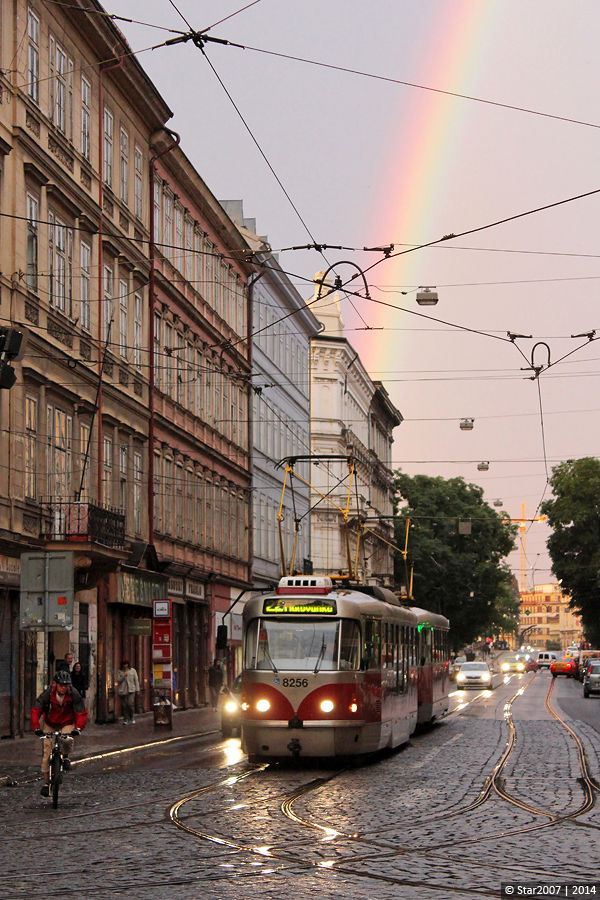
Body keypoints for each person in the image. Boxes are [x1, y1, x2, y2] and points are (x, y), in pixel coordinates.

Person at [31, 670, 88, 797]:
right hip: (50, 723)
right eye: (61, 685)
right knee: (47, 751)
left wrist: (78, 728)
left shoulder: (73, 694)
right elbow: (36, 710)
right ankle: (46, 783)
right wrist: (36, 727)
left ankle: (65, 756)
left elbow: (81, 713)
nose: (63, 688)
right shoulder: (48, 694)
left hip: (66, 722)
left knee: (67, 739)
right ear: (55, 684)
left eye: (66, 685)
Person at [117, 659, 140, 724]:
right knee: (124, 705)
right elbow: (118, 680)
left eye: (126, 664)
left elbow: (136, 681)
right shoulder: (120, 672)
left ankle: (131, 717)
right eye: (124, 664)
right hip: (123, 690)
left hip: (131, 689)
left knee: (130, 704)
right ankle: (125, 719)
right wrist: (124, 676)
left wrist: (137, 690)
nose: (125, 666)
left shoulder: (133, 671)